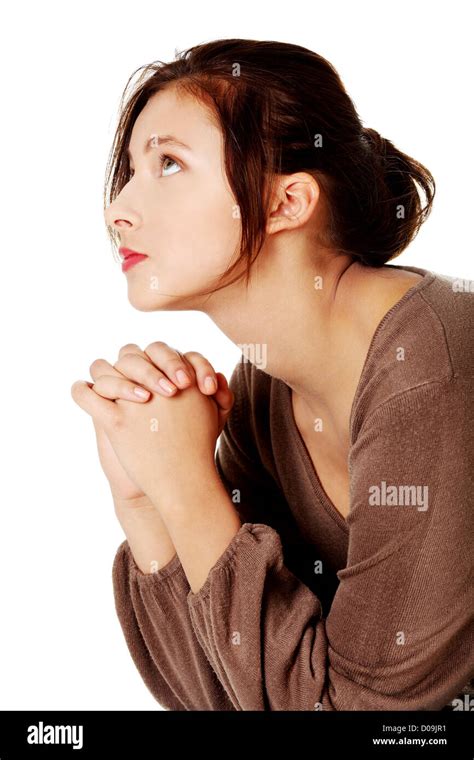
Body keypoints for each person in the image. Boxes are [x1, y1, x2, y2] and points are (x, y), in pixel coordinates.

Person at [71, 39, 474, 710]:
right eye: (132, 170)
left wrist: (189, 484)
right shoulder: (266, 394)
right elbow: (229, 695)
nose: (119, 211)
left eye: (168, 163)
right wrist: (147, 503)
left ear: (288, 202)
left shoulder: (434, 369)